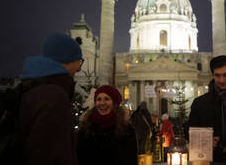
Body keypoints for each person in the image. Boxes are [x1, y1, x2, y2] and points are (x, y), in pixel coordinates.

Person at [18, 33, 82, 165]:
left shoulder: (36, 86)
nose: (78, 69)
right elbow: (49, 155)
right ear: (68, 59)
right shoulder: (54, 96)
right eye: (79, 61)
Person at [77, 85, 137, 165]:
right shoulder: (86, 128)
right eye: (99, 99)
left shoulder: (126, 129)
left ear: (114, 103)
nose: (102, 103)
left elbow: (131, 159)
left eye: (107, 99)